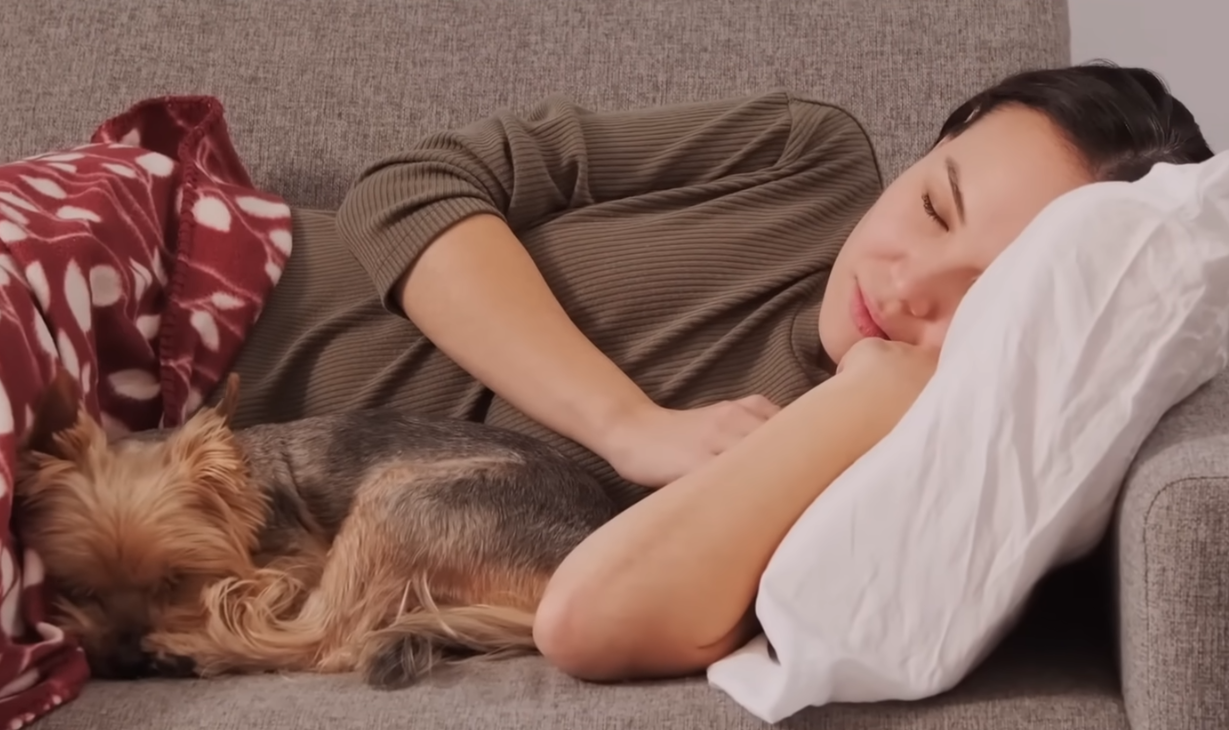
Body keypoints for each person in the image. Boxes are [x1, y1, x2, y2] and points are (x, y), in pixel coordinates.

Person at [221, 62, 1213, 681]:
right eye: (932, 206)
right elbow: (407, 187)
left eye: (986, 296)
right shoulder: (805, 157)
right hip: (202, 280)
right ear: (935, 144)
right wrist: (625, 422)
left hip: (205, 497)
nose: (908, 284)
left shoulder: (882, 484)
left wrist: (877, 390)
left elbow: (592, 618)